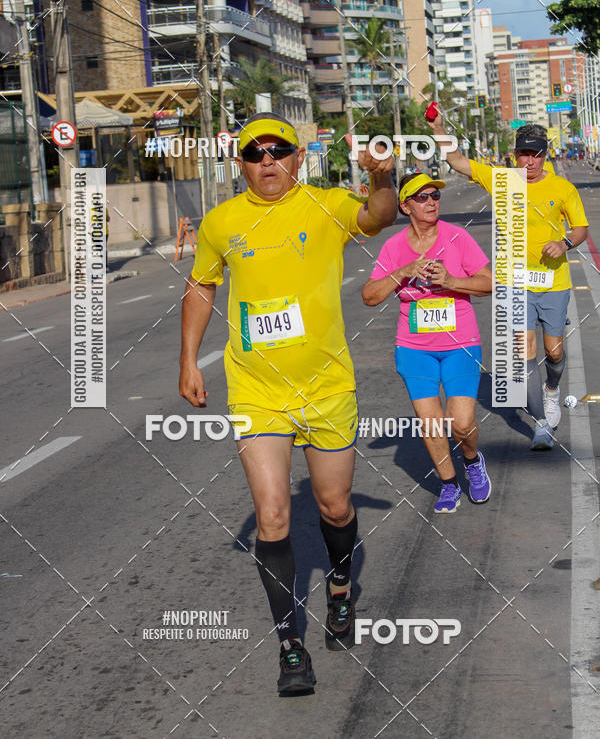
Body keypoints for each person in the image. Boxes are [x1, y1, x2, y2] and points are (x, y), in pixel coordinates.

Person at [179, 113, 396, 694]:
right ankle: (290, 647)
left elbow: (378, 216)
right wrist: (187, 360)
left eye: (278, 151)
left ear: (298, 158)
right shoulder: (222, 223)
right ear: (240, 163)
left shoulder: (324, 207)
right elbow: (202, 285)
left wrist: (383, 179)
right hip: (257, 390)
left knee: (333, 506)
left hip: (327, 388)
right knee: (273, 515)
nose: (267, 161)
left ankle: (341, 591)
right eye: (255, 154)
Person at [432, 117, 589, 450]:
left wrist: (563, 244)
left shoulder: (562, 189)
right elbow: (457, 160)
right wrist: (438, 128)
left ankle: (551, 389)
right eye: (522, 154)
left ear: (546, 154)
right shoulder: (502, 180)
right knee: (524, 351)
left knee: (554, 351)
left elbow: (580, 229)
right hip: (514, 282)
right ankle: (542, 422)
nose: (528, 162)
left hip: (553, 281)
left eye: (535, 155)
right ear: (514, 155)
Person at [362, 172, 493, 513]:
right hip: (414, 348)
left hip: (460, 342)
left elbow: (489, 283)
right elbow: (370, 296)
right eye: (422, 197)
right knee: (431, 422)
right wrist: (403, 271)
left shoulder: (457, 237)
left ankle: (472, 460)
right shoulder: (394, 247)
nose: (432, 202)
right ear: (405, 206)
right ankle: (448, 484)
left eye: (435, 195)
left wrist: (451, 279)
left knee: (462, 422)